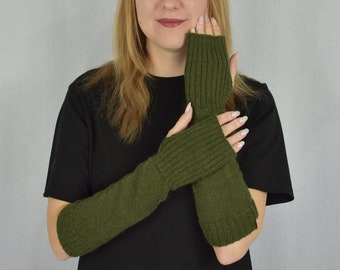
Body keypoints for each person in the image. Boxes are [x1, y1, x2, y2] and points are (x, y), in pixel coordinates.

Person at [44, 0, 294, 269]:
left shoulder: (252, 105)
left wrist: (208, 111)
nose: (170, 4)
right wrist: (165, 171)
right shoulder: (89, 97)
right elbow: (62, 242)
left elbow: (230, 248)